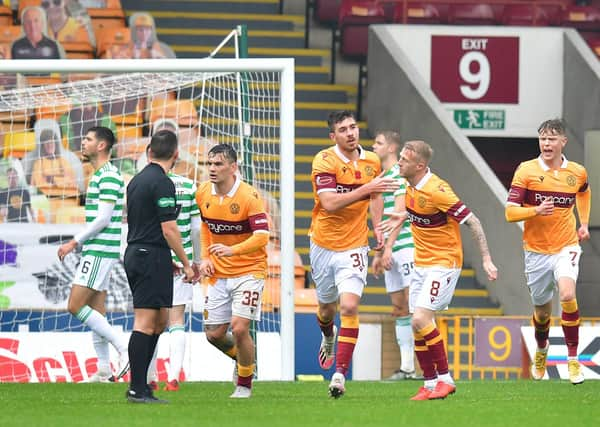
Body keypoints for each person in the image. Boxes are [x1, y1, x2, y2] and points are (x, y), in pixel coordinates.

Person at [379, 140, 498, 400]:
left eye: (404, 160)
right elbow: (423, 214)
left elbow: (473, 222)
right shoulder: (409, 186)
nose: (398, 162)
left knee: (422, 319)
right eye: (399, 157)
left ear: (420, 165)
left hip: (444, 263)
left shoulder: (438, 190)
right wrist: (402, 217)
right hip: (422, 263)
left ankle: (446, 379)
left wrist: (487, 259)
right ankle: (429, 383)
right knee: (415, 323)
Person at [309, 110, 401, 398]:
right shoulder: (324, 160)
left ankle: (339, 375)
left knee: (348, 307)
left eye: (353, 127)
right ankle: (327, 336)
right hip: (323, 243)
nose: (350, 133)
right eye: (343, 129)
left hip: (354, 245)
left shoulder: (371, 161)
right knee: (326, 310)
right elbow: (329, 203)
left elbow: (376, 196)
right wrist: (368, 187)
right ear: (332, 136)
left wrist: (377, 228)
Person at [505, 118, 591, 385]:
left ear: (563, 141)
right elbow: (510, 212)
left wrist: (584, 223)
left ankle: (573, 361)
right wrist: (535, 210)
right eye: (542, 138)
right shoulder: (526, 171)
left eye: (552, 139)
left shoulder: (576, 172)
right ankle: (541, 351)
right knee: (542, 314)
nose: (546, 144)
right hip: (536, 251)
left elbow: (584, 193)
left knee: (567, 294)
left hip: (566, 246)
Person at [123, 129, 194, 404]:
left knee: (159, 322)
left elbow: (147, 224)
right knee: (145, 322)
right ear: (176, 155)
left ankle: (143, 387)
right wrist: (187, 263)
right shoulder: (163, 183)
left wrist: (169, 260)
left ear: (148, 152)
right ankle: (137, 387)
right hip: (149, 254)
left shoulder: (136, 181)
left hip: (147, 253)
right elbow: (169, 229)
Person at [196, 144, 270, 399]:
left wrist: (233, 250)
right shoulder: (203, 192)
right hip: (219, 274)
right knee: (214, 335)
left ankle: (244, 383)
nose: (212, 169)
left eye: (218, 164)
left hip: (250, 271)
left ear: (233, 167)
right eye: (210, 164)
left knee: (239, 329)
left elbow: (262, 236)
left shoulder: (249, 196)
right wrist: (206, 257)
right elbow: (206, 228)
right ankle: (245, 360)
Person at [56, 127, 129, 382]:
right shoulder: (100, 175)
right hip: (101, 250)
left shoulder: (107, 176)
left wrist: (73, 242)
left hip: (99, 250)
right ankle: (102, 369)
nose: (83, 142)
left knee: (75, 305)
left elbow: (104, 218)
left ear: (101, 145)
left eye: (88, 139)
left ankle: (123, 347)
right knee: (96, 310)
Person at [146, 145, 202, 392]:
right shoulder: (190, 187)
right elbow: (197, 229)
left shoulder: (145, 184)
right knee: (176, 319)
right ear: (176, 156)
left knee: (150, 320)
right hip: (183, 260)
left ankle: (149, 378)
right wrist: (195, 261)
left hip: (153, 257)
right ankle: (173, 378)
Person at [371, 130, 417, 380]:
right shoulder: (382, 178)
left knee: (414, 305)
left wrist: (388, 248)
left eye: (378, 143)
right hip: (391, 249)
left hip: (407, 247)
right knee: (399, 308)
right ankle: (407, 367)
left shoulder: (399, 176)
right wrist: (380, 252)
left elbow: (400, 213)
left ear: (390, 148)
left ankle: (427, 366)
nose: (373, 146)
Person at [30, 128, 79, 198]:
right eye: (47, 143)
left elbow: (71, 182)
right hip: (45, 198)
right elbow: (38, 184)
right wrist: (60, 180)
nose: (50, 145)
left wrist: (53, 179)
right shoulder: (38, 163)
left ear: (56, 144)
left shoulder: (64, 162)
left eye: (52, 142)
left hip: (66, 197)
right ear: (42, 146)